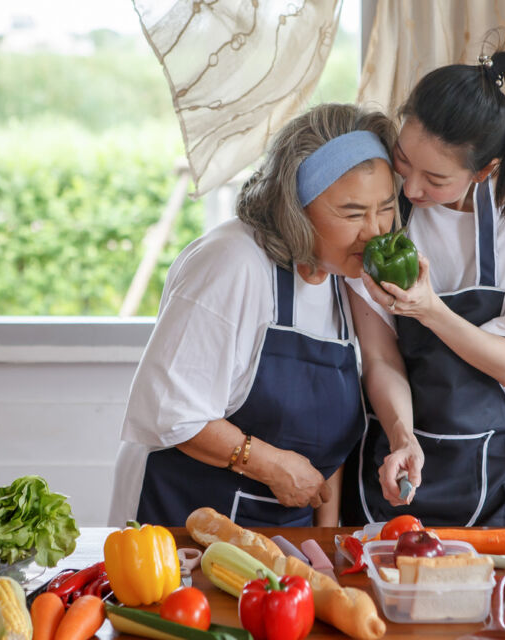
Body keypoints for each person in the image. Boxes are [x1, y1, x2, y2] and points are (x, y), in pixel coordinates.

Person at [109, 103, 422, 528]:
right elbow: (170, 411)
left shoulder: (344, 271)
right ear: (296, 207)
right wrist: (270, 464)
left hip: (282, 534)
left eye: (385, 207)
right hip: (179, 524)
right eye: (352, 214)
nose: (376, 232)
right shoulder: (231, 264)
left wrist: (325, 544)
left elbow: (374, 374)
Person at [343, 48, 505, 527]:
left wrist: (430, 310)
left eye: (435, 179)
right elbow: (381, 356)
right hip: (391, 457)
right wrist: (402, 438)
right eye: (403, 161)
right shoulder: (381, 206)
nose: (409, 191)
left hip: (495, 471)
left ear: (485, 169)